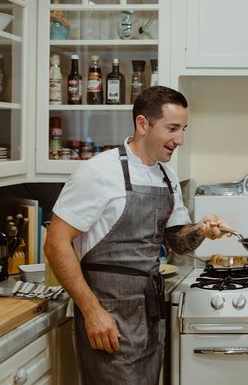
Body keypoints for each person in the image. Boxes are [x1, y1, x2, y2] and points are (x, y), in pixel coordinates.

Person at [45, 86, 230, 384]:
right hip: (109, 318)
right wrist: (92, 312)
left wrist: (203, 230)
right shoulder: (97, 173)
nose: (179, 140)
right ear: (143, 124)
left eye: (183, 129)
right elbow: (55, 244)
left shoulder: (166, 176)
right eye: (172, 128)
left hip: (149, 316)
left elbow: (176, 241)